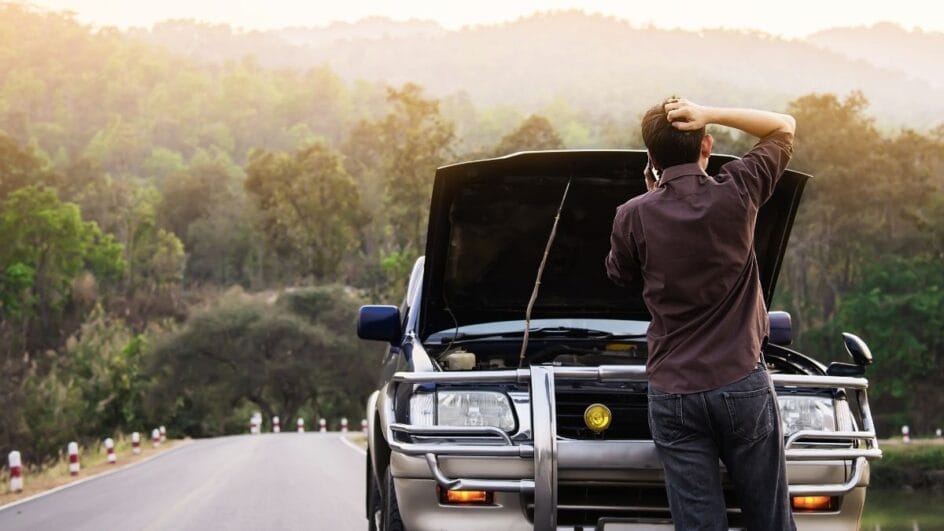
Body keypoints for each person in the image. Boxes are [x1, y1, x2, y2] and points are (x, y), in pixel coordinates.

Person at [605, 97, 797, 531]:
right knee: (770, 522)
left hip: (674, 394)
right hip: (742, 383)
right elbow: (783, 127)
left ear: (651, 160)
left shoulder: (631, 215)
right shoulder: (740, 189)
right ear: (706, 144)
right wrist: (710, 112)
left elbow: (618, 275)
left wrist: (652, 200)